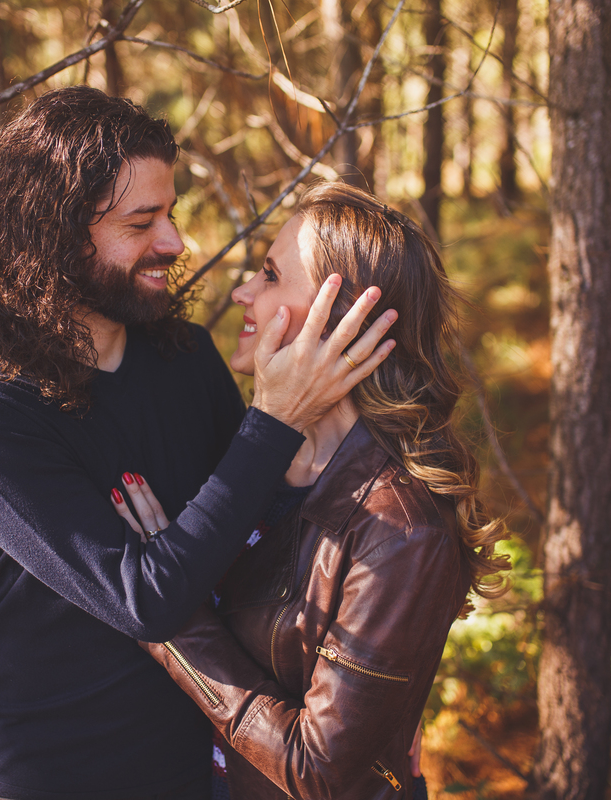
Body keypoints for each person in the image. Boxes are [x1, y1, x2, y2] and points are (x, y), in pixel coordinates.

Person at [0, 87, 397, 800]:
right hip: (58, 776)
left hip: (209, 757)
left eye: (170, 214)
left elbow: (258, 543)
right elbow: (146, 601)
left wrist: (381, 687)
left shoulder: (183, 355)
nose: (175, 243)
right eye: (142, 222)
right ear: (54, 234)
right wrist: (273, 421)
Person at [113, 183, 510, 799]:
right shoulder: (254, 463)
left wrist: (166, 620)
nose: (243, 292)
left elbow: (317, 771)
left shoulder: (401, 529)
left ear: (342, 321)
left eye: (271, 276)